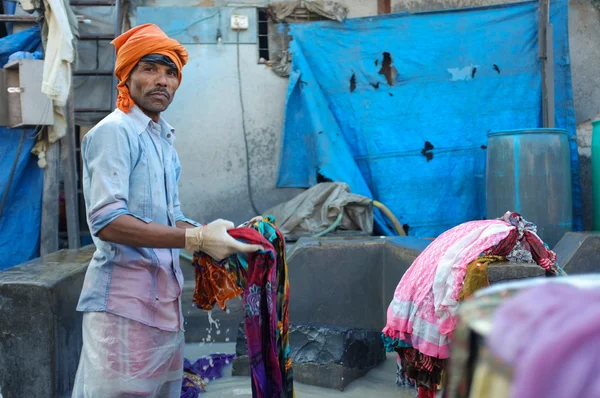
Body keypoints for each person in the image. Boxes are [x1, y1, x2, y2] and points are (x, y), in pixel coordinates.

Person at [72, 24, 263, 397]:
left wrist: (224, 235)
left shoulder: (162, 140)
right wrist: (194, 238)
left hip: (164, 301)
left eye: (170, 72)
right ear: (127, 76)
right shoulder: (115, 132)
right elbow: (108, 221)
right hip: (123, 306)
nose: (162, 81)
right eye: (150, 69)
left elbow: (170, 217)